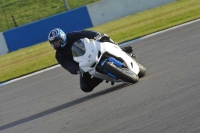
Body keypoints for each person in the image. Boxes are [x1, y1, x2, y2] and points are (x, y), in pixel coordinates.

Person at [48, 28, 134, 93]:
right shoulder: (59, 55)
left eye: (56, 41)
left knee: (104, 37)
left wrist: (95, 35)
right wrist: (78, 70)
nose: (55, 44)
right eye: (53, 43)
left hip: (91, 51)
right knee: (85, 87)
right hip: (84, 66)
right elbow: (68, 65)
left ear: (62, 37)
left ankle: (121, 50)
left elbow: (83, 33)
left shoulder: (71, 36)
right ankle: (102, 77)